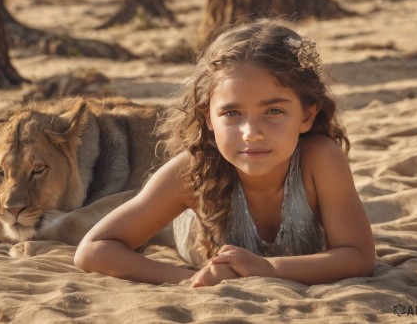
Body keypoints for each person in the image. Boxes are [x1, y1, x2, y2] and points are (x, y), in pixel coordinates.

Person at [74, 18, 375, 287]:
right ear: (208, 117)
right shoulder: (191, 172)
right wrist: (192, 278)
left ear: (306, 117)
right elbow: (93, 249)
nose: (251, 132)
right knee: (130, 213)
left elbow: (358, 257)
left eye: (273, 110)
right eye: (231, 113)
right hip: (189, 228)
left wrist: (269, 268)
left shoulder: (320, 159)